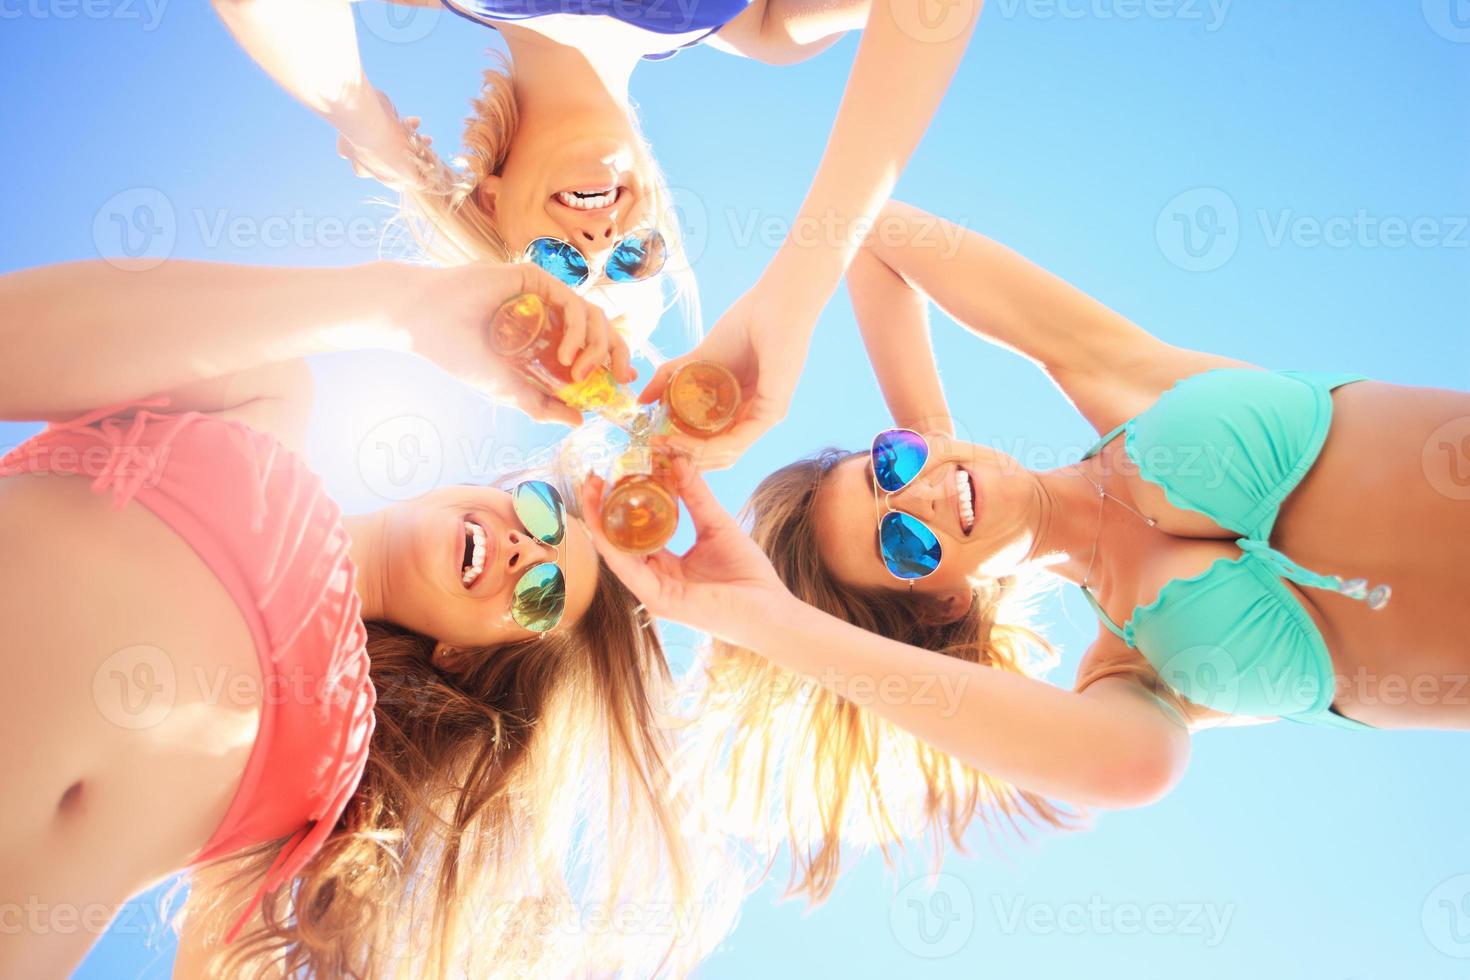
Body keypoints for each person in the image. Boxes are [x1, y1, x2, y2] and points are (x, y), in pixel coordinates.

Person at [580, 200, 1470, 899]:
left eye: (890, 468)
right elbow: (1132, 768)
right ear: (941, 603)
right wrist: (766, 621)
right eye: (902, 538)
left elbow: (871, 234)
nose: (917, 493)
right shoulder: (1134, 681)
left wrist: (932, 440)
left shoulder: (1119, 378)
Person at [0, 258, 709, 977]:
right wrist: (409, 305)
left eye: (542, 596)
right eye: (540, 511)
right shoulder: (262, 405)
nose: (528, 547)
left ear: (463, 656)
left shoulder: (333, 779)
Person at [213, 0, 987, 436]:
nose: (599, 243)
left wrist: (359, 117)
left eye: (557, 266)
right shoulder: (765, 25)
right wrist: (797, 291)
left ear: (491, 197)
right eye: (632, 261)